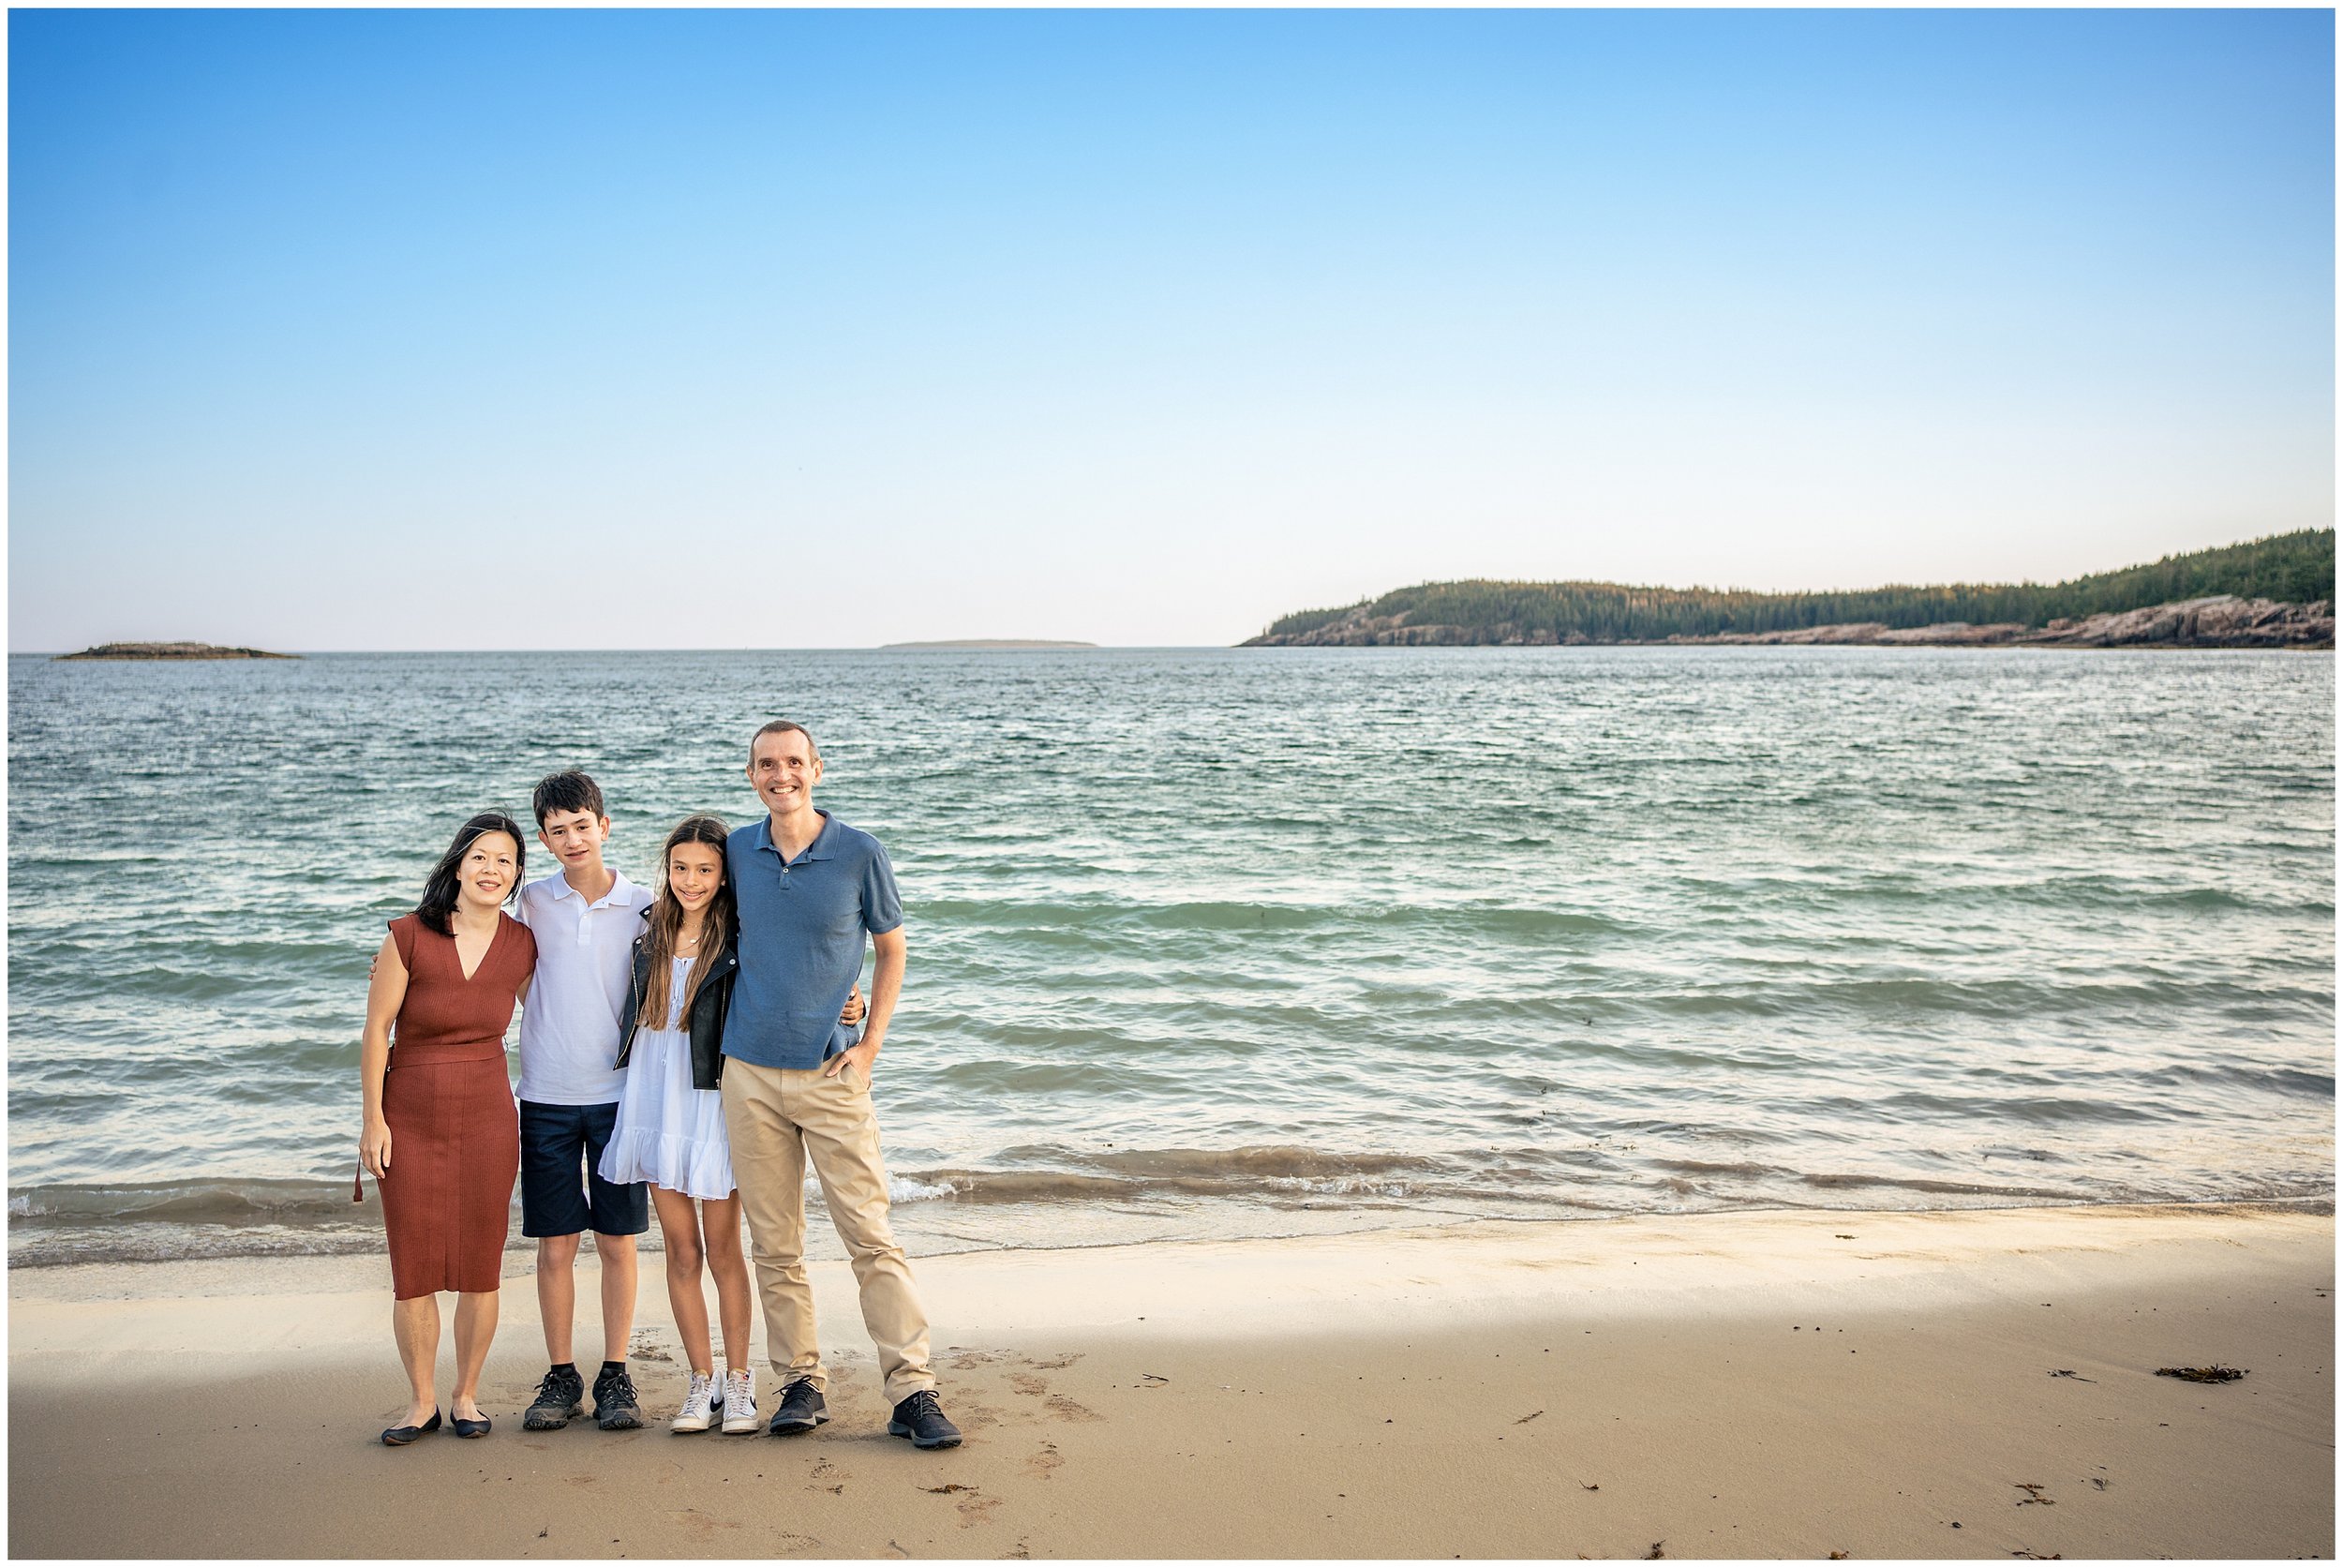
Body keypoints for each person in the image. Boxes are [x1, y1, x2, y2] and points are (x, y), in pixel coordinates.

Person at [720, 720, 961, 1449]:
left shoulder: (859, 851)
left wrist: (870, 1042)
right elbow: (697, 922)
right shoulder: (734, 850)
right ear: (752, 774)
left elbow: (891, 950)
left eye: (793, 761)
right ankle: (800, 1382)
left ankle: (912, 1389)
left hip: (832, 1071)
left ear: (816, 769)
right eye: (767, 763)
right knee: (774, 1241)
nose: (780, 774)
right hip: (749, 1072)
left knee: (870, 1235)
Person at [595, 814, 863, 1435]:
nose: (692, 881)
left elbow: (806, 965)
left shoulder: (740, 935)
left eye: (706, 870)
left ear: (726, 875)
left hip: (713, 1100)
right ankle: (701, 1382)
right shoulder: (647, 929)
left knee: (723, 1250)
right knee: (680, 1250)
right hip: (652, 1100)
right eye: (681, 868)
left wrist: (854, 1000)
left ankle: (740, 1384)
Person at [359, 813, 537, 1446]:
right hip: (409, 1113)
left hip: (490, 1115)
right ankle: (421, 1402)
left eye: (506, 861)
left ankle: (466, 1395)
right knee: (413, 1265)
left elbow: (571, 1006)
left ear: (518, 875)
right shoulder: (408, 936)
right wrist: (372, 1120)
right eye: (481, 857)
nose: (492, 870)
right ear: (458, 863)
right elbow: (376, 1029)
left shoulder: (522, 944)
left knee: (480, 1264)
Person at [513, 769, 655, 1432]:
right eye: (557, 830)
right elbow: (479, 943)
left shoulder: (645, 903)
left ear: (605, 824)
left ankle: (616, 1372)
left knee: (618, 1239)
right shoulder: (532, 902)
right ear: (543, 839)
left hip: (619, 1095)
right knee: (555, 1245)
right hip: (544, 1092)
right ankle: (562, 1372)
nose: (572, 838)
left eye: (582, 825)